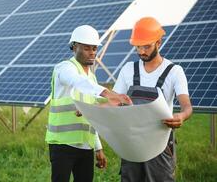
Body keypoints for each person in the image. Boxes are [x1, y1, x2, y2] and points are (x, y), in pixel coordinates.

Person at [45, 25, 132, 182]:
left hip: (86, 146)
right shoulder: (64, 68)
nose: (92, 52)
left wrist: (98, 147)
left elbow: (93, 115)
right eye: (87, 48)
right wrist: (108, 94)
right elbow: (76, 81)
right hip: (62, 144)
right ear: (74, 46)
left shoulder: (91, 78)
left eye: (94, 48)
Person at [113, 17, 193, 182]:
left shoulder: (174, 71)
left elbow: (187, 106)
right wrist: (90, 108)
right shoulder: (128, 69)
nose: (141, 51)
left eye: (146, 46)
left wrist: (182, 116)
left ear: (159, 42)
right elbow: (114, 100)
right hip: (132, 140)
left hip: (160, 144)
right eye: (138, 47)